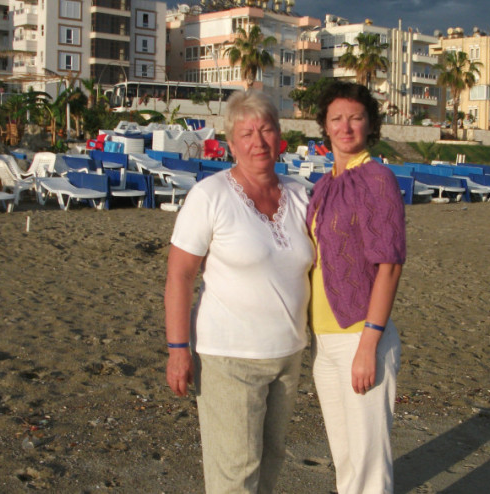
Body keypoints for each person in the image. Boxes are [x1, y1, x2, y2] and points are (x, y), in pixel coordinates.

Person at [165, 90, 314, 493]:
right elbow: (179, 276)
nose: (257, 141)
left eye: (265, 130)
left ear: (280, 136)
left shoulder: (300, 194)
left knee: (271, 460)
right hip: (229, 357)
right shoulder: (210, 195)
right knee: (236, 470)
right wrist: (178, 350)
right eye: (246, 133)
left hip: (288, 354)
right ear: (231, 144)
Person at [306, 81, 406, 494]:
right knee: (345, 457)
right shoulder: (324, 185)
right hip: (324, 339)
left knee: (368, 460)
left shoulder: (377, 179)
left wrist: (368, 344)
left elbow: (390, 265)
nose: (345, 127)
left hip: (360, 336)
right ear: (325, 126)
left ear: (369, 124)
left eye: (355, 118)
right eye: (337, 119)